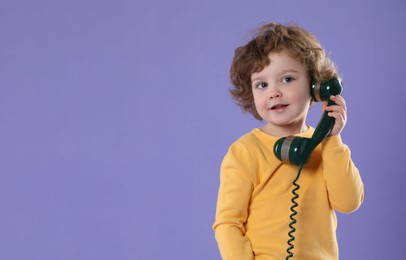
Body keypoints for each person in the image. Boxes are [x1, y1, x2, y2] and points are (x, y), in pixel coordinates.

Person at [212, 22, 364, 260]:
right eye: (262, 84)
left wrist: (333, 138)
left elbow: (349, 201)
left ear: (316, 86)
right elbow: (228, 224)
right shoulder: (245, 152)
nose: (274, 92)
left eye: (286, 79)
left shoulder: (326, 146)